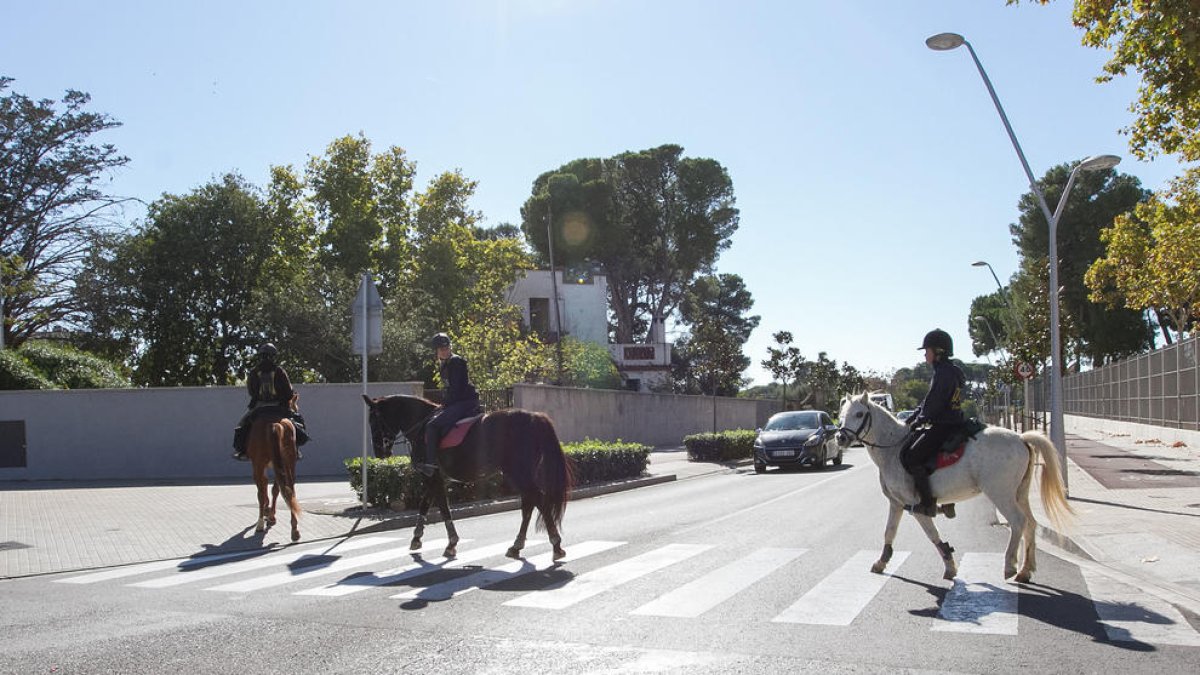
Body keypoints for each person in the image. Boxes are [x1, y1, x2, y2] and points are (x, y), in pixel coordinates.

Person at [901, 328, 965, 517]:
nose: (925, 354)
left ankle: (928, 504)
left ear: (938, 351)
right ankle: (947, 501)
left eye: (927, 350)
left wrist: (920, 420)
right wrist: (913, 417)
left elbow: (935, 403)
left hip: (945, 424)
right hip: (951, 421)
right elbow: (928, 401)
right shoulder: (946, 370)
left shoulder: (943, 373)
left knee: (911, 457)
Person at [413, 333, 481, 477]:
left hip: (464, 402)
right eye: (441, 349)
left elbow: (455, 390)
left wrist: (445, 404)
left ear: (450, 347)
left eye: (446, 347)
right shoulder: (445, 364)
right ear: (436, 351)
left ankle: (430, 464)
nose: (444, 350)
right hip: (459, 401)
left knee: (432, 425)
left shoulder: (455, 362)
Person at [231, 343, 309, 461]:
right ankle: (296, 449)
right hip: (279, 406)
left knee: (242, 425)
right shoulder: (280, 371)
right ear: (274, 356)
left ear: (260, 356)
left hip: (259, 406)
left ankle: (241, 451)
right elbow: (288, 391)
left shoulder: (254, 372)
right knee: (298, 421)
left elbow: (252, 391)